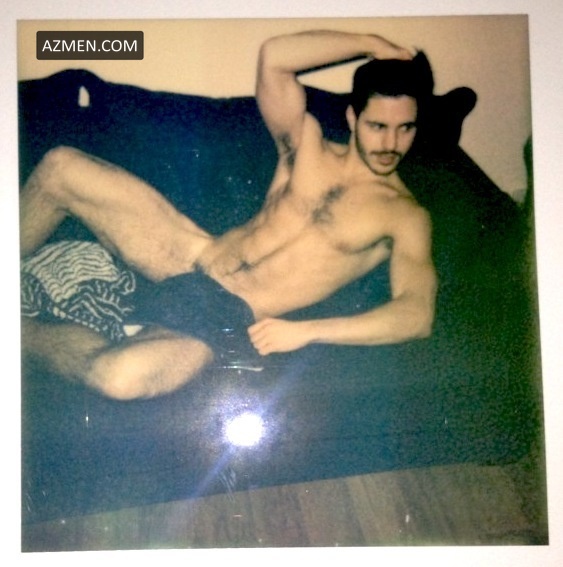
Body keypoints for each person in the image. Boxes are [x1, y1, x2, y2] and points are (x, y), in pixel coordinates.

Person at [20, 30, 437, 400]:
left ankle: (15, 331)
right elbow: (275, 57)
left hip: (225, 314)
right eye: (378, 126)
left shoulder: (404, 216)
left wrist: (307, 331)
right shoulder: (306, 142)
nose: (391, 143)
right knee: (60, 168)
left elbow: (416, 316)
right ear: (352, 117)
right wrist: (371, 44)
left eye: (406, 128)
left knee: (118, 378)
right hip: (191, 253)